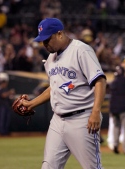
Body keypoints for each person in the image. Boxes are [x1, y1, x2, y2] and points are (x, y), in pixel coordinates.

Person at [21, 18, 106, 169]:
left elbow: (99, 81)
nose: (45, 44)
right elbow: (55, 88)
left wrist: (95, 111)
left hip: (82, 119)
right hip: (57, 120)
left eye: (47, 40)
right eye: (42, 41)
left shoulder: (81, 50)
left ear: (59, 34)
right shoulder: (50, 58)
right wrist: (31, 103)